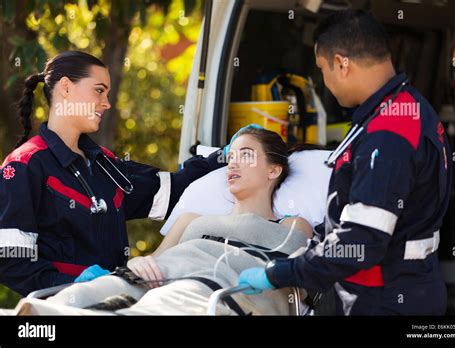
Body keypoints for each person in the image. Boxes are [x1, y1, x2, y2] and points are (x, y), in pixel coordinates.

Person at [239, 10, 452, 315]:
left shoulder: (388, 135)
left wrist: (281, 273)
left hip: (385, 300)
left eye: (322, 69)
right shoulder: (408, 108)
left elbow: (362, 241)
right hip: (407, 289)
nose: (324, 81)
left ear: (341, 63)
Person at [15, 128, 314, 315]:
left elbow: (296, 274)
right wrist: (138, 263)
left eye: (245, 155)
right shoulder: (191, 219)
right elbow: (155, 259)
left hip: (203, 287)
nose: (233, 163)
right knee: (77, 296)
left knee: (161, 304)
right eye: (231, 157)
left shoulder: (292, 225)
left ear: (273, 171)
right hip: (151, 278)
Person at [0, 51, 227, 296]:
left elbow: (174, 191)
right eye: (99, 90)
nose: (107, 103)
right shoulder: (25, 164)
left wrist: (228, 155)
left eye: (107, 94)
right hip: (59, 309)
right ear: (65, 88)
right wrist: (76, 284)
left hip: (117, 302)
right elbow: (11, 262)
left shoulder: (104, 163)